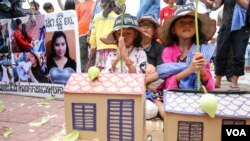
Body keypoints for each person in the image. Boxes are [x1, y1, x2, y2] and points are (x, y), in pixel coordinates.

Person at [156, 4, 216, 91]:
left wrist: (202, 70)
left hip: (197, 96)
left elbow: (210, 87)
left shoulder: (203, 50)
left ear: (197, 28)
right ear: (173, 29)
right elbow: (169, 83)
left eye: (191, 22)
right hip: (175, 97)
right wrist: (190, 69)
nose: (187, 25)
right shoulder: (168, 51)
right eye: (181, 22)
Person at [214, 0, 250, 89]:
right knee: (220, 52)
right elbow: (215, 6)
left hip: (243, 27)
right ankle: (217, 81)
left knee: (239, 55)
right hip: (226, 25)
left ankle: (234, 81)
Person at [138, 14, 164, 119]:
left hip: (152, 82)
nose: (146, 28)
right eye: (143, 25)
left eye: (149, 26)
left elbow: (161, 71)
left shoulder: (159, 48)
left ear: (154, 31)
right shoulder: (134, 46)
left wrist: (145, 82)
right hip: (137, 79)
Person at [86, 0, 118, 71]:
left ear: (101, 5)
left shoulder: (96, 17)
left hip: (100, 49)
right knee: (112, 70)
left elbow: (93, 34)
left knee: (100, 71)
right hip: (113, 48)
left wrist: (93, 46)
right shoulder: (116, 17)